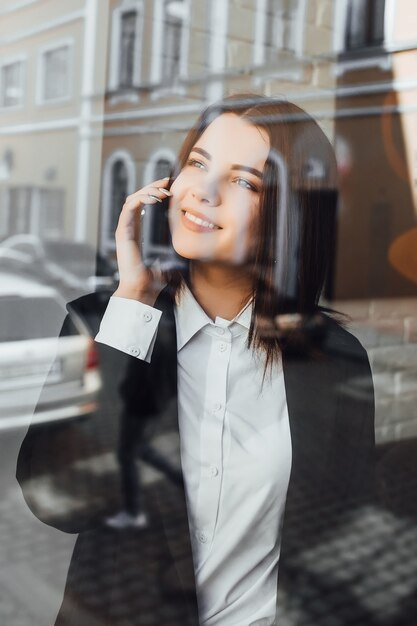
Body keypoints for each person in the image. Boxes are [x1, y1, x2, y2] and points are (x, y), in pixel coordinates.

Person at [17, 94, 375, 626]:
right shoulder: (106, 324)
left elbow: (346, 540)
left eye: (244, 181)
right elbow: (62, 503)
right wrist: (131, 309)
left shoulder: (335, 359)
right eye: (199, 164)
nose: (204, 192)